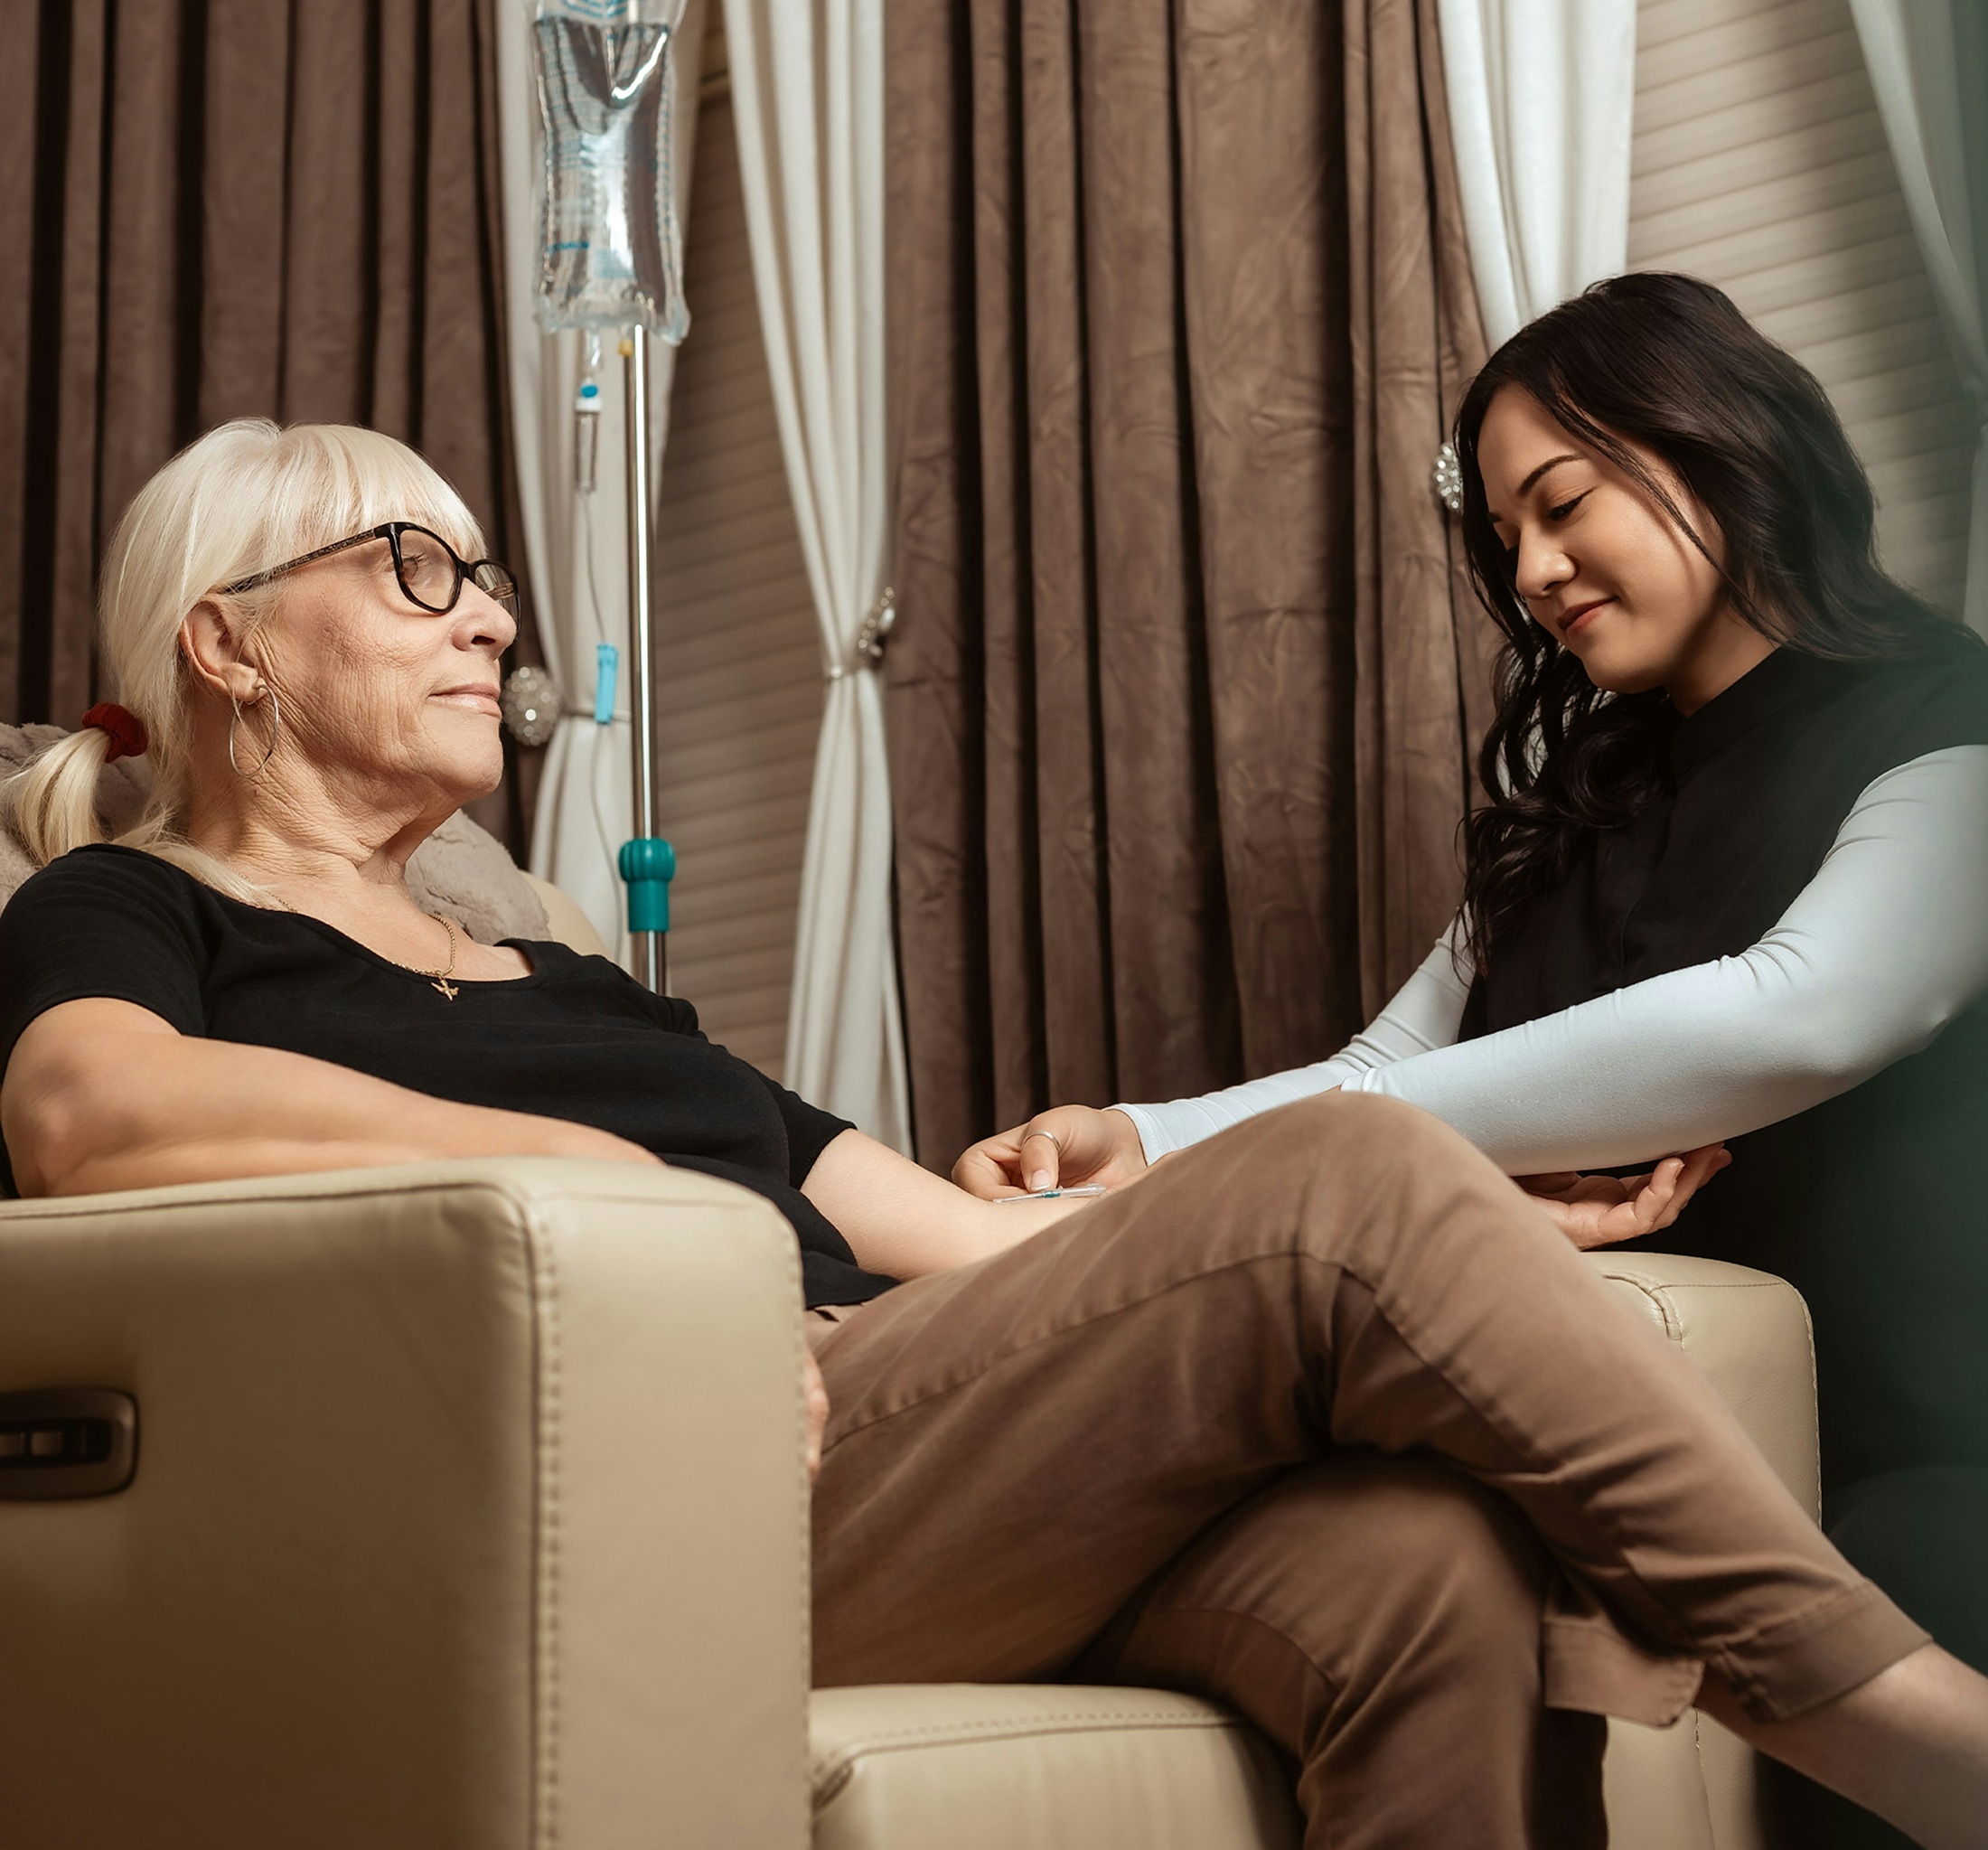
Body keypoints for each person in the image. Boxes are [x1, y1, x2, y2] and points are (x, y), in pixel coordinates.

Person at [3, 419, 1985, 1850]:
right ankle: (1872, 1708)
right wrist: (626, 1197)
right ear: (228, 638)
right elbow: (91, 1114)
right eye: (416, 569)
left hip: (893, 1429)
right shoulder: (139, 909)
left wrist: (1487, 1261)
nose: (488, 626)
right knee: (1362, 1173)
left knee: (1417, 1561)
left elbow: (987, 1256)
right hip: (664, 1476)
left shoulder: (584, 996)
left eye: (487, 579)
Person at [955, 275, 1988, 1842]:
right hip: (1583, 1455)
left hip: (1915, 1447)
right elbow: (1383, 1066)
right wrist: (1136, 1141)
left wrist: (1211, 1165)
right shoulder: (1574, 808)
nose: (1535, 570)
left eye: (1563, 504)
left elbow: (1803, 1010)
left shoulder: (1950, 724)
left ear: (1723, 441)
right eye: (1505, 537)